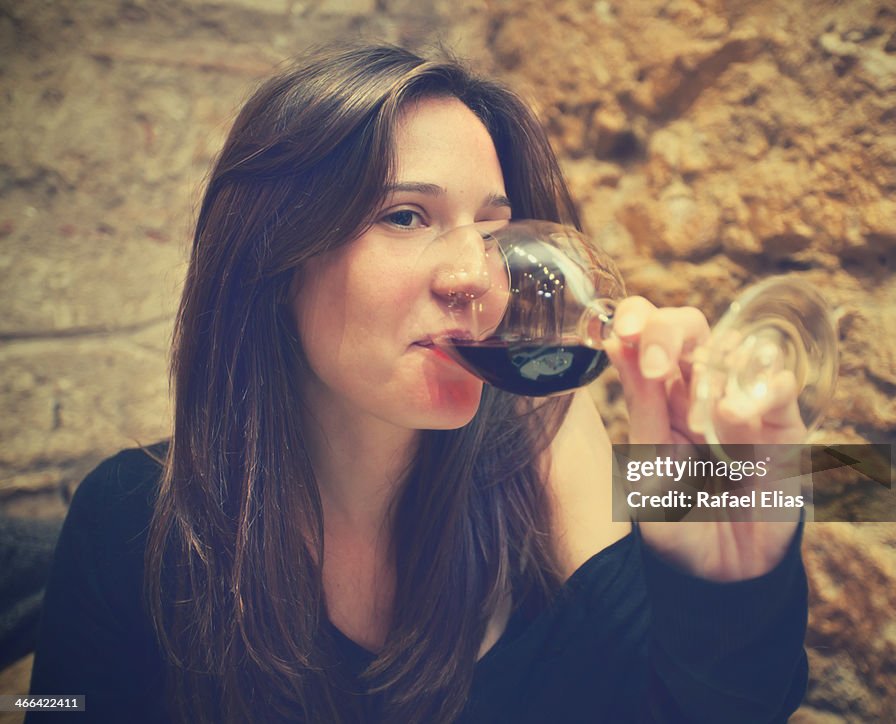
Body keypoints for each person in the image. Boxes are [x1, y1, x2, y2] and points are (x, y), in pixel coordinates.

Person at [27, 42, 809, 723]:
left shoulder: (540, 449)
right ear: (274, 262)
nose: (475, 275)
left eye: (494, 230)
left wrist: (721, 585)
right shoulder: (131, 520)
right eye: (405, 216)